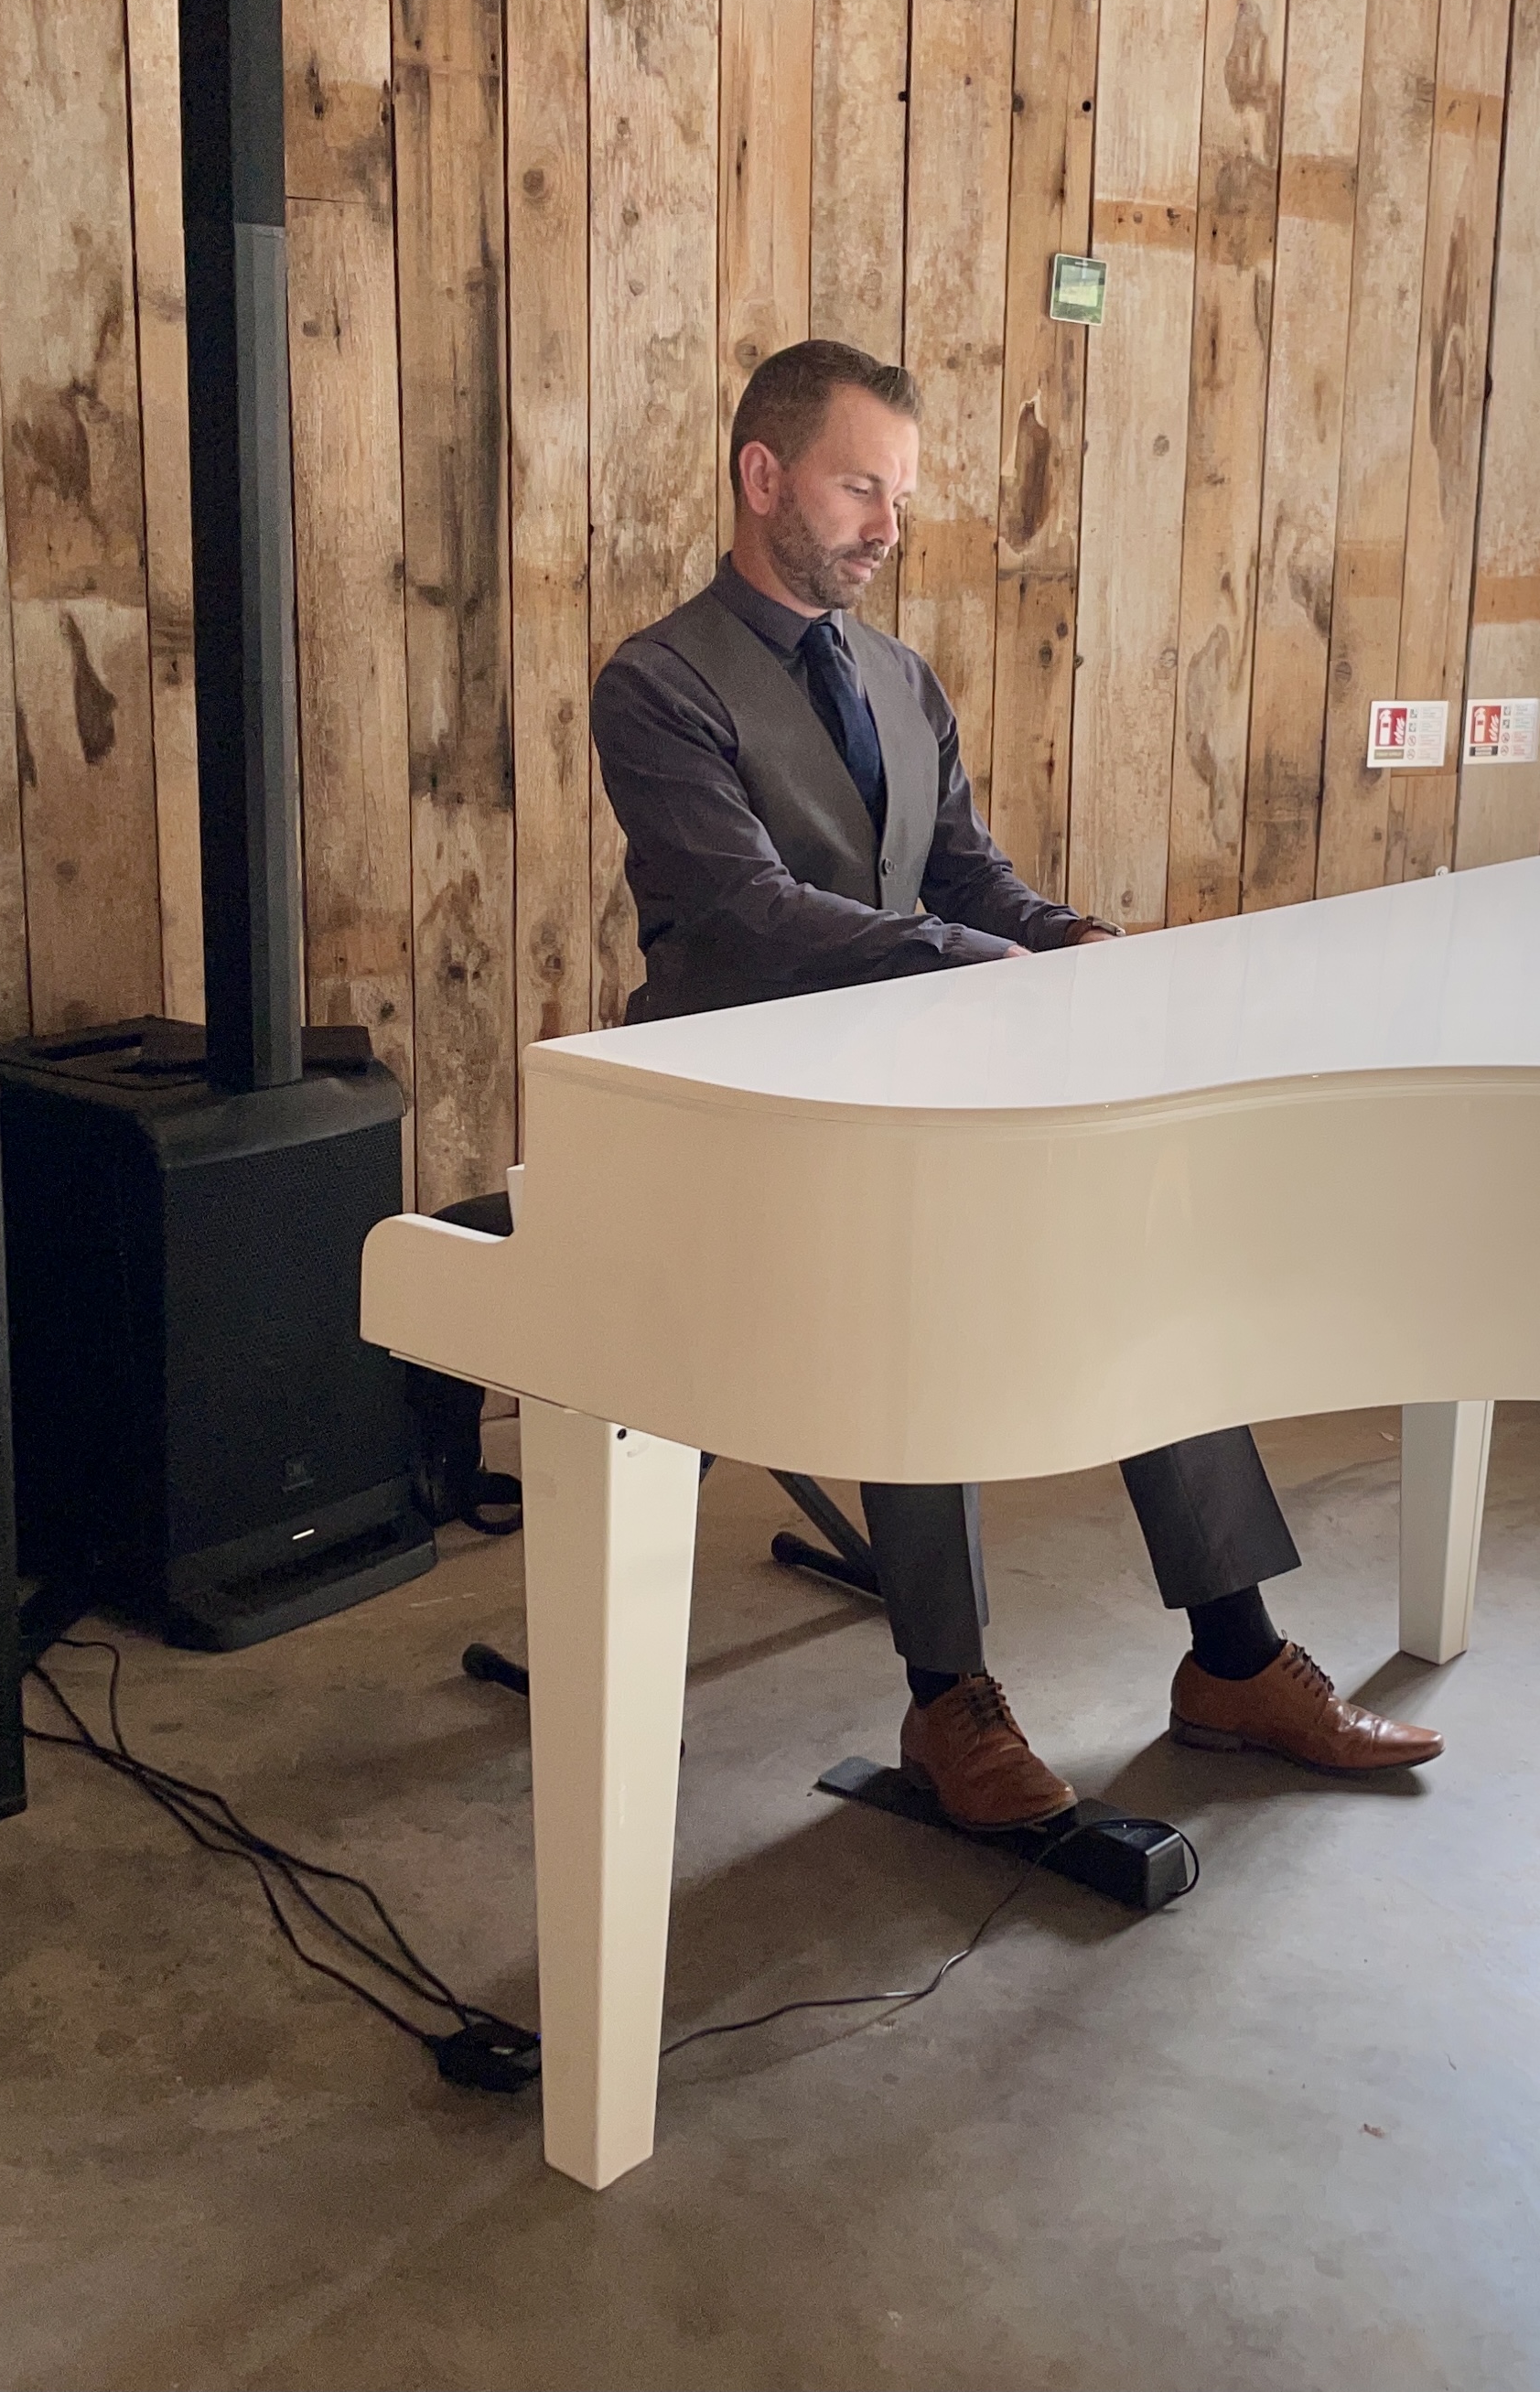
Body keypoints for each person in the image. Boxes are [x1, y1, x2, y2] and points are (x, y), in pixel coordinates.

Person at [589, 339, 1442, 1831]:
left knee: (1136, 1255)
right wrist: (983, 961)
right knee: (929, 1288)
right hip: (750, 1120)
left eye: (903, 495)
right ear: (761, 475)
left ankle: (1233, 1658)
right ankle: (944, 1700)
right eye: (862, 486)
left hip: (926, 1085)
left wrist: (1075, 941)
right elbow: (747, 912)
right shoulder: (657, 683)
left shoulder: (900, 679)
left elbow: (965, 868)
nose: (888, 525)